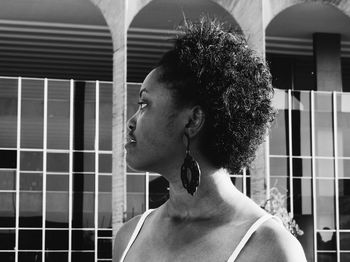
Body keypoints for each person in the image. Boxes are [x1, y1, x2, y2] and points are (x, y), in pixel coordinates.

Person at [114, 17, 307, 262]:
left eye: (144, 104)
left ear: (193, 121)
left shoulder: (269, 247)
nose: (131, 121)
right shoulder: (129, 236)